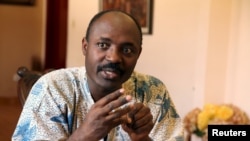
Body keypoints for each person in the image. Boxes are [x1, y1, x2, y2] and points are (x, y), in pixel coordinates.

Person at [12, 10, 184, 141]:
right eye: (103, 44)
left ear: (138, 54)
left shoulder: (153, 92)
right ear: (85, 47)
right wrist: (85, 134)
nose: (114, 57)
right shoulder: (53, 88)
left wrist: (142, 139)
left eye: (127, 50)